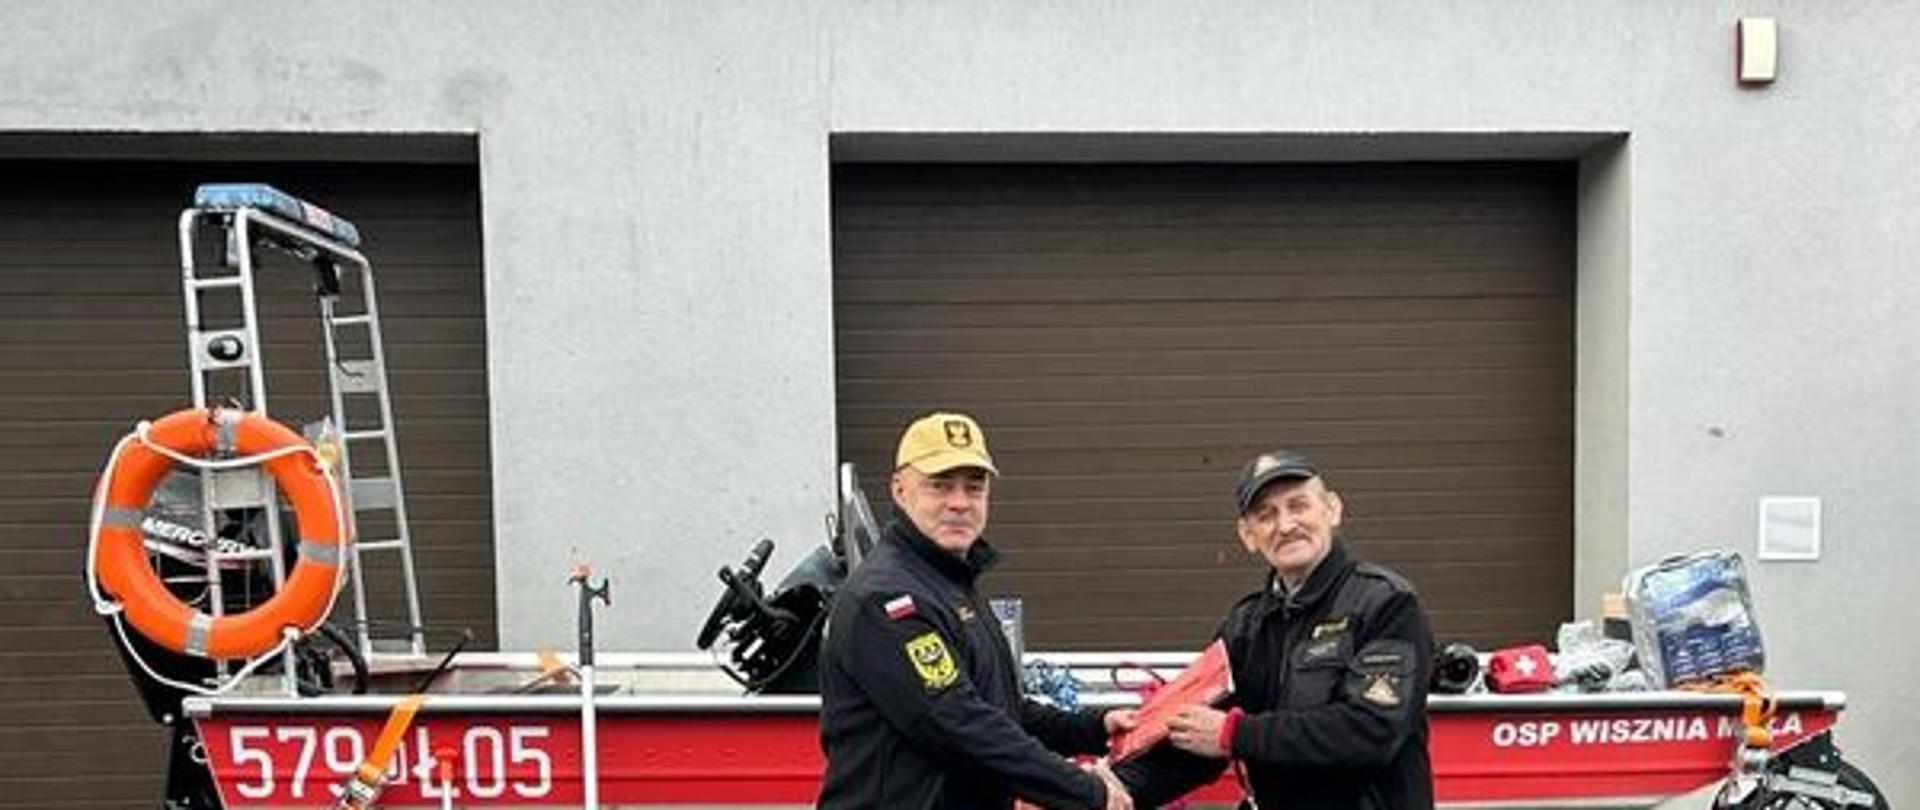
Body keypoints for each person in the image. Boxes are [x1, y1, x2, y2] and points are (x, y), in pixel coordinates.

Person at [817, 412, 1135, 810]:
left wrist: (1093, 727)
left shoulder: (948, 584)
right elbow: (957, 723)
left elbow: (997, 708)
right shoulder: (886, 598)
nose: (959, 503)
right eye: (939, 486)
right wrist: (1086, 791)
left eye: (974, 487)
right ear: (899, 489)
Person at [1114, 450, 1435, 810]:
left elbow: (1372, 730)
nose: (1285, 525)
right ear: (1248, 535)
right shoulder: (1245, 626)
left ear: (1332, 509)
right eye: (1266, 515)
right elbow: (1197, 738)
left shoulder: (1386, 603)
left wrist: (1235, 733)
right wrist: (1111, 787)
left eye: (1298, 506)